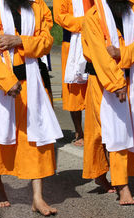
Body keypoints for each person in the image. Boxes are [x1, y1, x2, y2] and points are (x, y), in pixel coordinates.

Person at [0, 0, 63, 215]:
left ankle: (37, 198)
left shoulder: (36, 8)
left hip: (32, 83)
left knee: (35, 139)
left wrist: (20, 40)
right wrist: (6, 81)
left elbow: (46, 42)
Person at [81, 0, 134, 204]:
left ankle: (104, 173)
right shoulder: (92, 18)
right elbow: (100, 55)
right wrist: (116, 83)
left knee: (122, 130)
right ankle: (122, 186)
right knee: (114, 131)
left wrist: (122, 53)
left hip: (132, 78)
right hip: (105, 82)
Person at [54, 0, 93, 147]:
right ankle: (79, 132)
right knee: (74, 90)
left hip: (91, 39)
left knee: (92, 86)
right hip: (71, 43)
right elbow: (60, 16)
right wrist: (85, 22)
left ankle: (93, 130)